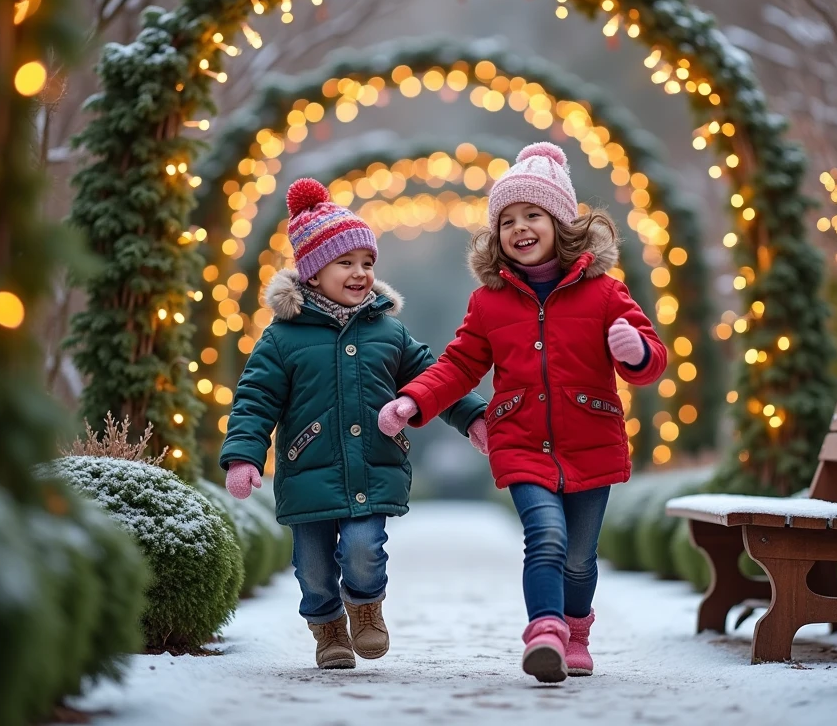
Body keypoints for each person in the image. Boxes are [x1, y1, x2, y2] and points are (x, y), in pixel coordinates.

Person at [377, 142, 667, 683]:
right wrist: (415, 399)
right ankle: (546, 633)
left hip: (591, 439)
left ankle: (576, 630)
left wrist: (636, 352)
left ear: (561, 222)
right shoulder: (489, 302)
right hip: (521, 442)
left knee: (580, 559)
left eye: (532, 215)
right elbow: (459, 364)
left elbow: (650, 359)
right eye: (507, 219)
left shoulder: (605, 293)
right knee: (546, 537)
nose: (519, 228)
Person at [221, 178, 488, 670]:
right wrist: (243, 456)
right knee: (313, 569)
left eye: (367, 263)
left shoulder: (388, 331)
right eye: (346, 263)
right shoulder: (282, 340)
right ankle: (328, 630)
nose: (361, 273)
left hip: (372, 465)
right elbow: (255, 400)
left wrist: (471, 414)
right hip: (308, 471)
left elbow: (434, 377)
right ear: (313, 272)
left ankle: (366, 607)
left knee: (365, 549)